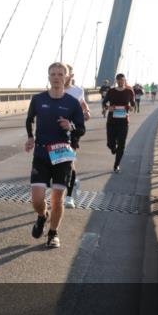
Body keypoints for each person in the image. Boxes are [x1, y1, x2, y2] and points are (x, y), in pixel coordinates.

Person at [25, 63, 86, 249]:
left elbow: (81, 128)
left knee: (57, 199)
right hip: (42, 153)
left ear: (67, 77)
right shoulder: (37, 99)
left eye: (60, 74)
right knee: (37, 199)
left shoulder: (72, 103)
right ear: (48, 76)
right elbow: (29, 120)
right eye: (53, 74)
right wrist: (30, 137)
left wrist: (71, 126)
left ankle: (53, 233)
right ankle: (42, 216)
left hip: (62, 154)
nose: (57, 77)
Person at [63, 65, 91, 208]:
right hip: (56, 132)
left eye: (65, 73)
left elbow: (82, 103)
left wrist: (86, 112)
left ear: (71, 75)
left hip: (73, 130)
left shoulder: (78, 90)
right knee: (60, 163)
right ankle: (73, 181)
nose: (62, 76)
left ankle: (68, 196)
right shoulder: (53, 90)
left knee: (69, 160)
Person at [102, 72, 136, 173]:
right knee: (110, 143)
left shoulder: (129, 92)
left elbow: (133, 106)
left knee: (122, 144)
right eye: (119, 80)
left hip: (124, 122)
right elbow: (104, 103)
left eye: (123, 80)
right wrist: (108, 108)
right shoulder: (111, 91)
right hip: (112, 121)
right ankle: (113, 148)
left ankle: (116, 165)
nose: (121, 82)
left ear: (125, 80)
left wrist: (130, 108)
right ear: (116, 81)